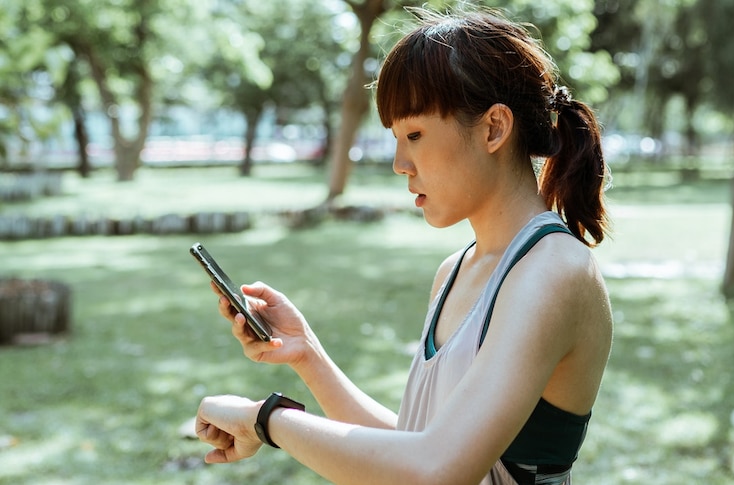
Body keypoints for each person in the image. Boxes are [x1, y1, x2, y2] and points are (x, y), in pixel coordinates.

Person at [195, 7, 613, 485]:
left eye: (414, 134)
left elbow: (437, 470)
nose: (399, 163)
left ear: (494, 128)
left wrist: (265, 419)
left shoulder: (555, 269)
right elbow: (417, 447)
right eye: (396, 138)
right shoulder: (456, 269)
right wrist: (305, 353)